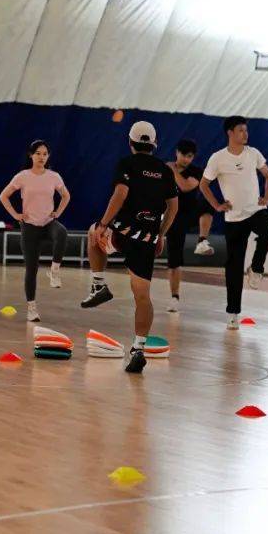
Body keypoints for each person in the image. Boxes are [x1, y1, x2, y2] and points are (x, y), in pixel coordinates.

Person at [81, 121, 178, 374]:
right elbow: (173, 207)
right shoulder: (165, 170)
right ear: (154, 144)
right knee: (143, 297)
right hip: (147, 239)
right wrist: (161, 235)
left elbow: (120, 195)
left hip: (123, 233)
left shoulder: (126, 164)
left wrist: (104, 223)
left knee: (93, 233)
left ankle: (99, 284)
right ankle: (138, 348)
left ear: (130, 143)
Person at [199, 116, 268, 330]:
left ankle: (257, 267)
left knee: (267, 236)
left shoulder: (253, 154)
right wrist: (216, 205)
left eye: (246, 130)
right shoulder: (218, 158)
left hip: (256, 210)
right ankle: (233, 313)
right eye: (241, 130)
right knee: (233, 266)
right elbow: (204, 185)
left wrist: (266, 198)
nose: (245, 134)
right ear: (230, 133)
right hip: (233, 218)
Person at [0, 139, 71, 322]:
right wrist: (15, 215)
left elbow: (66, 195)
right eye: (38, 153)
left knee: (61, 232)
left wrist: (57, 213)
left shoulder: (54, 176)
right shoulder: (22, 176)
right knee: (31, 269)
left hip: (48, 223)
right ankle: (32, 307)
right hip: (30, 227)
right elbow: (3, 196)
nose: (41, 157)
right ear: (31, 155)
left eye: (45, 154)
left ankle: (54, 270)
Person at [165, 138, 204, 313]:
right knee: (174, 258)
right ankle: (174, 297)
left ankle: (203, 239)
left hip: (189, 214)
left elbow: (185, 186)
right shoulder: (165, 169)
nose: (186, 159)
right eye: (184, 155)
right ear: (177, 153)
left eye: (190, 156)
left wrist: (172, 169)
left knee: (208, 205)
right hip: (170, 215)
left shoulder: (195, 171)